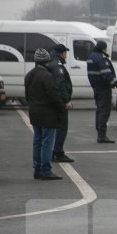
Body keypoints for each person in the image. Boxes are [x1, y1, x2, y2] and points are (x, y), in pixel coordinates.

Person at [25, 48, 72, 180]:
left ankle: (37, 169)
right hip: (47, 114)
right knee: (47, 142)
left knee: (37, 141)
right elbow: (54, 96)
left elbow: (27, 96)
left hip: (34, 112)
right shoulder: (47, 76)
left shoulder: (29, 75)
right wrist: (63, 107)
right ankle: (45, 170)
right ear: (47, 61)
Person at [87, 40, 117, 143]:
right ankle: (101, 135)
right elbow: (106, 74)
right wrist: (116, 84)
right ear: (103, 49)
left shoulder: (91, 57)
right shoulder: (101, 59)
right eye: (106, 49)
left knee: (99, 110)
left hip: (96, 88)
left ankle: (100, 133)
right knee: (104, 111)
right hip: (103, 89)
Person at [49, 43, 74, 163]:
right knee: (61, 128)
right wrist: (66, 101)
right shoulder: (57, 65)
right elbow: (60, 84)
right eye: (65, 53)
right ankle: (58, 152)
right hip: (60, 102)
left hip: (54, 101)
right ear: (61, 53)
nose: (66, 55)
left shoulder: (51, 62)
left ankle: (55, 151)